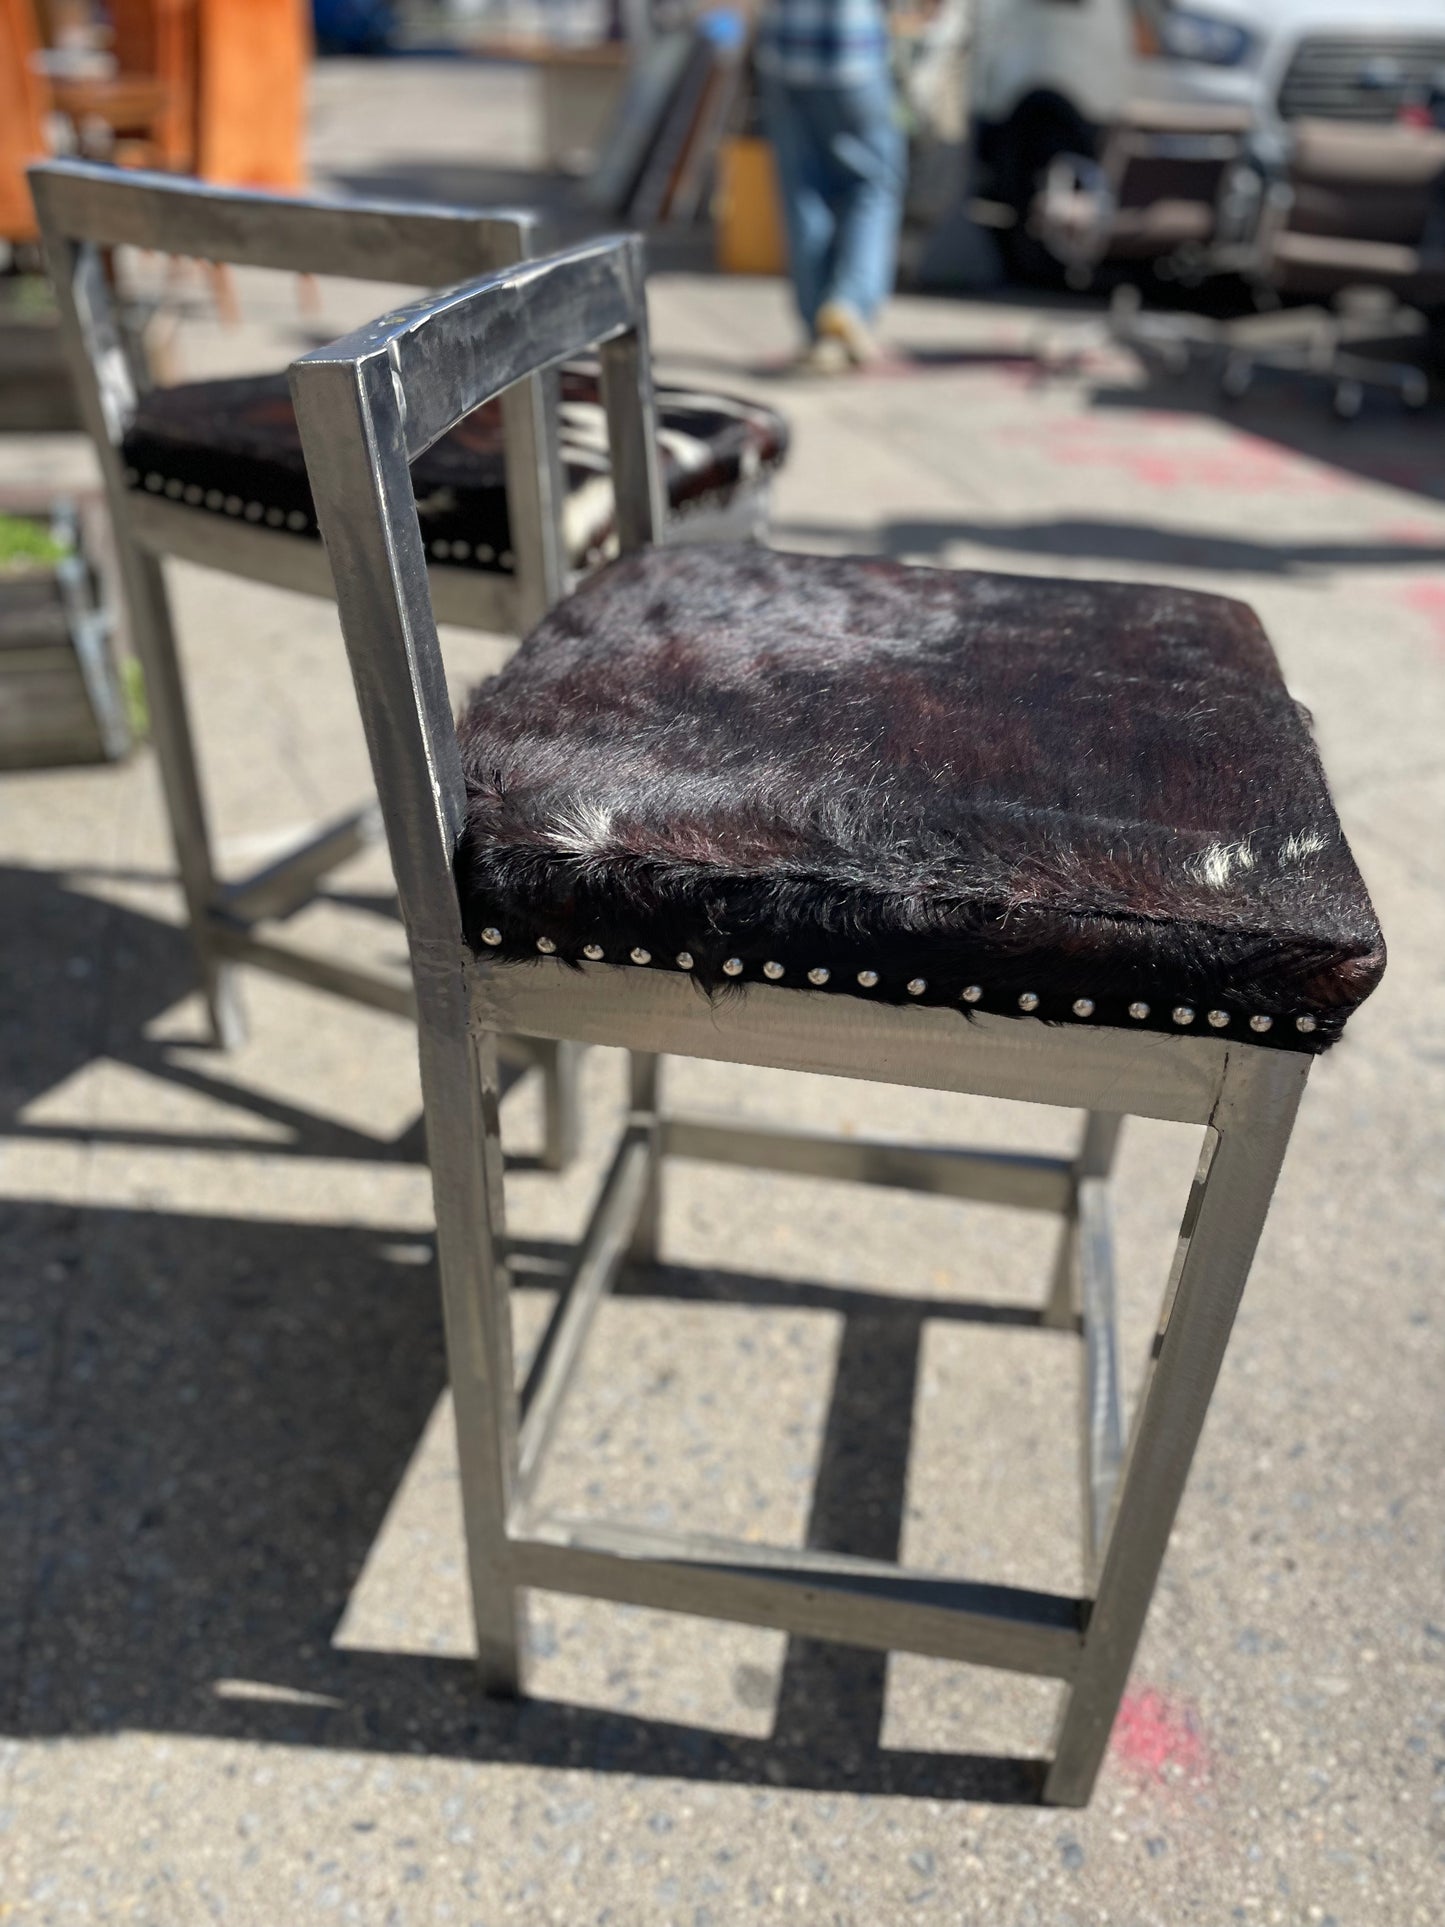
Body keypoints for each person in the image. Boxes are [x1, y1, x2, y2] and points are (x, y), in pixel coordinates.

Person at [755, 0, 906, 372]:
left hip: (785, 55)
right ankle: (849, 303)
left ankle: (817, 329)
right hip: (853, 56)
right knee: (874, 186)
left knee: (803, 193)